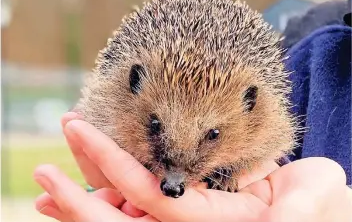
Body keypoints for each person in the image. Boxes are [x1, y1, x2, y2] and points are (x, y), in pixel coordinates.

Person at [33, 112, 352, 222]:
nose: (174, 181)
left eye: (212, 135)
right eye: (156, 125)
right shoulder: (307, 48)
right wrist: (105, 189)